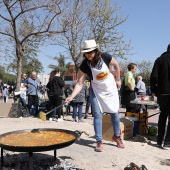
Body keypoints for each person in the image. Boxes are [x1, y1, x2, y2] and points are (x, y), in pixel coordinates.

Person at [65, 39, 124, 152]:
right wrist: (71, 96)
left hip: (110, 88)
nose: (88, 55)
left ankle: (117, 136)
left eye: (90, 52)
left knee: (115, 114)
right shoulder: (84, 65)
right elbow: (80, 83)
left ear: (96, 51)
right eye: (86, 53)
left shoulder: (105, 57)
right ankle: (99, 141)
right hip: (97, 91)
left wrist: (118, 79)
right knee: (97, 115)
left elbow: (116, 64)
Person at [150, 44, 170, 149]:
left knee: (162, 116)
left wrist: (154, 90)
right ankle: (167, 143)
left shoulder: (159, 60)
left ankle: (159, 141)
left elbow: (153, 76)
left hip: (162, 92)